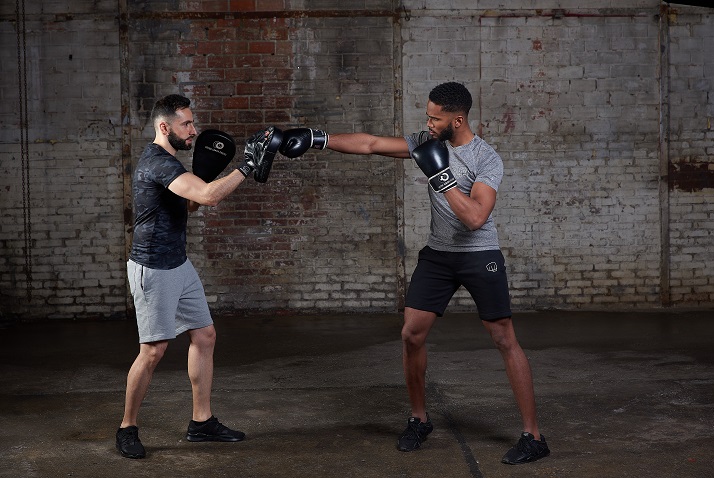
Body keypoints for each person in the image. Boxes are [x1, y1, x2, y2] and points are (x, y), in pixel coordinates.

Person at [276, 82, 550, 465]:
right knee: (411, 334)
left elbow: (475, 218)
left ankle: (533, 436)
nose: (428, 122)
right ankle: (419, 419)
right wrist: (316, 138)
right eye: (427, 115)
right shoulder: (426, 140)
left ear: (457, 119)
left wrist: (442, 178)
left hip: (478, 254)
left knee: (504, 338)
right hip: (438, 256)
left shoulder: (486, 158)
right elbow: (371, 144)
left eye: (434, 118)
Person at [116, 94, 270, 459]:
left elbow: (191, 202)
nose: (194, 130)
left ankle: (201, 422)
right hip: (153, 268)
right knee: (153, 351)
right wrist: (246, 166)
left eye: (192, 122)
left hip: (179, 264)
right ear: (164, 127)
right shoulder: (157, 163)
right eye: (186, 124)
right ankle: (127, 427)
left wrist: (207, 179)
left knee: (204, 335)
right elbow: (207, 198)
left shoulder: (171, 164)